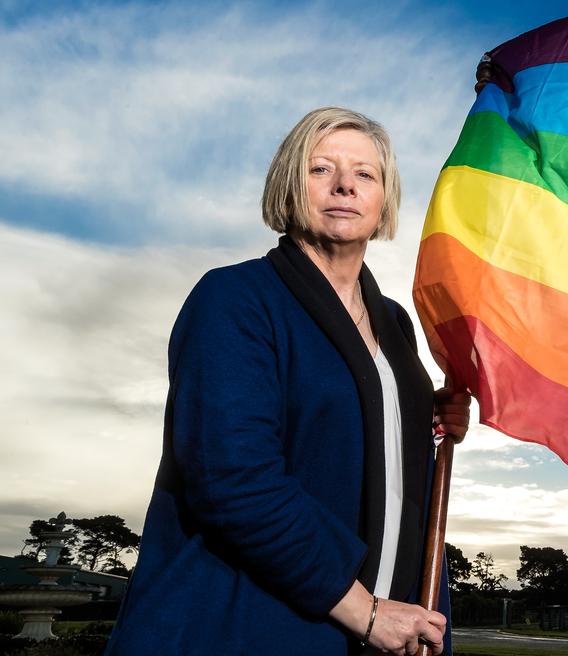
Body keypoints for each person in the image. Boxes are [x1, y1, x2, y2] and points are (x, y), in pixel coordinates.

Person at [105, 107, 470, 655]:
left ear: (384, 199)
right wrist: (364, 612)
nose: (345, 185)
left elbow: (353, 432)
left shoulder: (394, 322)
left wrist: (424, 415)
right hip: (251, 626)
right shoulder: (235, 299)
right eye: (322, 169)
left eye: (365, 174)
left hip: (388, 628)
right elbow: (231, 479)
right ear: (288, 185)